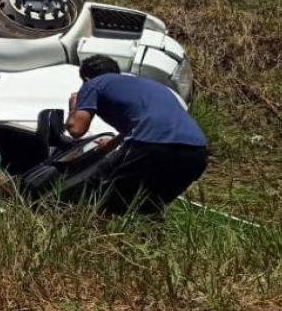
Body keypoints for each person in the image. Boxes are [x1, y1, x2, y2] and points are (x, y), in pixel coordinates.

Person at [66, 55, 208, 214]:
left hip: (151, 147)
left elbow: (77, 130)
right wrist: (112, 143)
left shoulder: (93, 84)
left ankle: (83, 227)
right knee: (149, 207)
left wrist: (74, 106)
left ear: (86, 78)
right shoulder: (149, 85)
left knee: (102, 194)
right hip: (197, 152)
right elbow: (150, 121)